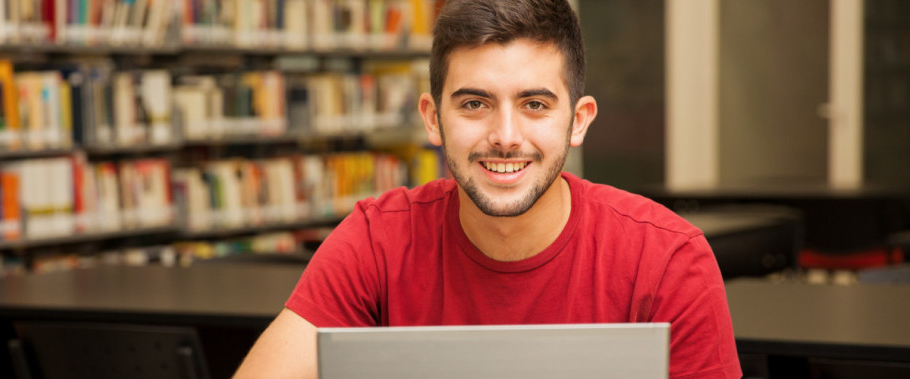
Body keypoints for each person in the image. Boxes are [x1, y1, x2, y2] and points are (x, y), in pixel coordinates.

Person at [233, 0, 742, 378]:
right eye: (474, 104)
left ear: (578, 121)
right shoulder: (375, 241)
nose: (505, 136)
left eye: (535, 104)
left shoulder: (669, 259)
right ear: (433, 118)